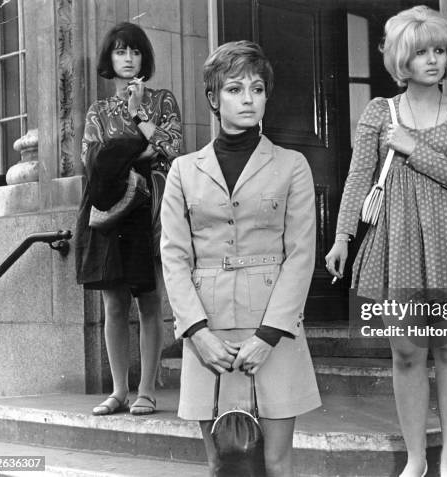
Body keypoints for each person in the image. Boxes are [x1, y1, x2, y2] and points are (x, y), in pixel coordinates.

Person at [326, 6, 447, 477]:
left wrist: (414, 148)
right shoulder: (380, 111)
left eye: (439, 50)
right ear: (402, 60)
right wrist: (341, 236)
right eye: (421, 53)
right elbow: (358, 179)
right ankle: (416, 460)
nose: (433, 60)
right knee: (407, 352)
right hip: (396, 245)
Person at [160, 40, 321, 477]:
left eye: (257, 88)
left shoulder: (292, 165)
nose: (248, 98)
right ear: (213, 99)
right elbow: (174, 258)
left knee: (275, 462)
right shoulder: (183, 170)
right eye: (234, 89)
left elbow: (301, 254)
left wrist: (268, 335)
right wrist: (196, 333)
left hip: (274, 330)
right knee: (222, 463)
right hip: (207, 333)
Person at [75, 22, 182, 416]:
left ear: (144, 58)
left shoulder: (162, 100)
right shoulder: (98, 110)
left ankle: (147, 390)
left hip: (151, 209)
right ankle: (119, 390)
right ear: (110, 58)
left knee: (149, 300)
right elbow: (91, 160)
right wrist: (137, 152)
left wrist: (137, 117)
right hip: (111, 208)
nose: (128, 59)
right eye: (120, 51)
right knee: (113, 303)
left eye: (134, 52)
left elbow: (171, 148)